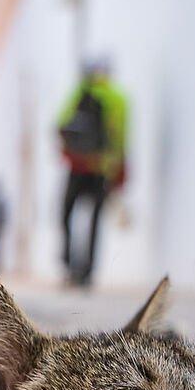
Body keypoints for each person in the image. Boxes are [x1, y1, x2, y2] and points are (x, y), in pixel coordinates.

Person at [54, 56, 129, 288]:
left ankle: (68, 264)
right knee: (94, 221)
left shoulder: (80, 90)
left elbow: (60, 122)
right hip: (101, 169)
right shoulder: (119, 98)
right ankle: (86, 273)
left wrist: (68, 151)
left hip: (78, 166)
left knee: (66, 213)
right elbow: (121, 138)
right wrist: (119, 170)